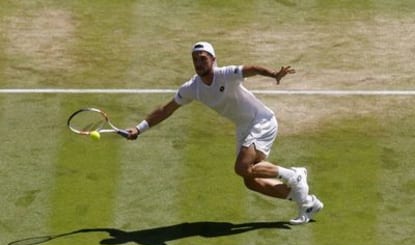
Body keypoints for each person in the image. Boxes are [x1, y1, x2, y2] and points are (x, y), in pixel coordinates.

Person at [126, 41, 323, 225]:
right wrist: (139, 128)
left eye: (203, 58)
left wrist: (273, 74)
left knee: (242, 167)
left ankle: (294, 175)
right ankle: (307, 202)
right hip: (243, 127)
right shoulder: (192, 88)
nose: (198, 63)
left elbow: (251, 69)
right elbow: (166, 109)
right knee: (250, 181)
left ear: (213, 59)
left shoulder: (225, 74)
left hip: (261, 121)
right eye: (195, 59)